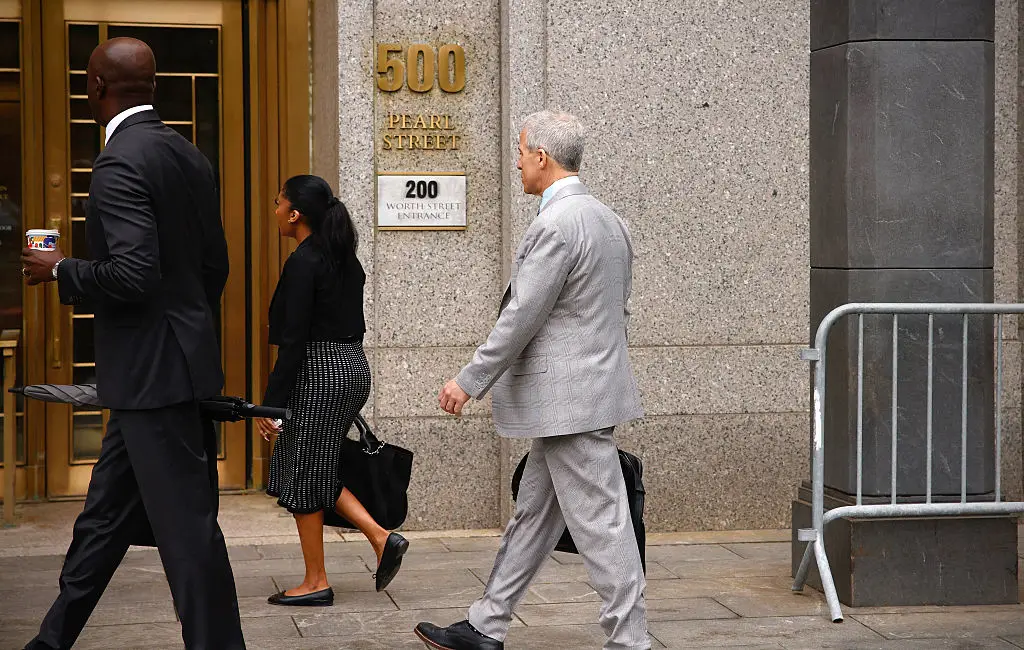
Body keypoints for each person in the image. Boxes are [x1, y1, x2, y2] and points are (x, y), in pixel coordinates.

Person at [20, 38, 245, 649]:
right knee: (101, 524)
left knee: (188, 537)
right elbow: (214, 268)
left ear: (94, 87)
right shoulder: (188, 156)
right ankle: (49, 641)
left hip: (152, 382)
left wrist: (62, 270)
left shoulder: (119, 162)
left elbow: (133, 273)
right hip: (167, 374)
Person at [415, 110, 650, 650]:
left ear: (542, 157)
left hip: (570, 402)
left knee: (603, 525)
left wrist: (469, 379)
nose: (516, 161)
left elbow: (522, 315)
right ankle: (486, 623)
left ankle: (631, 640)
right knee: (534, 518)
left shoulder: (556, 225)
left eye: (520, 151)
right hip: (582, 395)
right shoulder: (609, 219)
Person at [254, 174, 408, 606]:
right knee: (312, 463)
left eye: (279, 201)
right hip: (351, 367)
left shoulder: (305, 261)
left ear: (295, 213)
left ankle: (317, 581)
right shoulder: (343, 258)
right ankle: (381, 539)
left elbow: (294, 341)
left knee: (303, 472)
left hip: (320, 372)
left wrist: (272, 406)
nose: (276, 208)